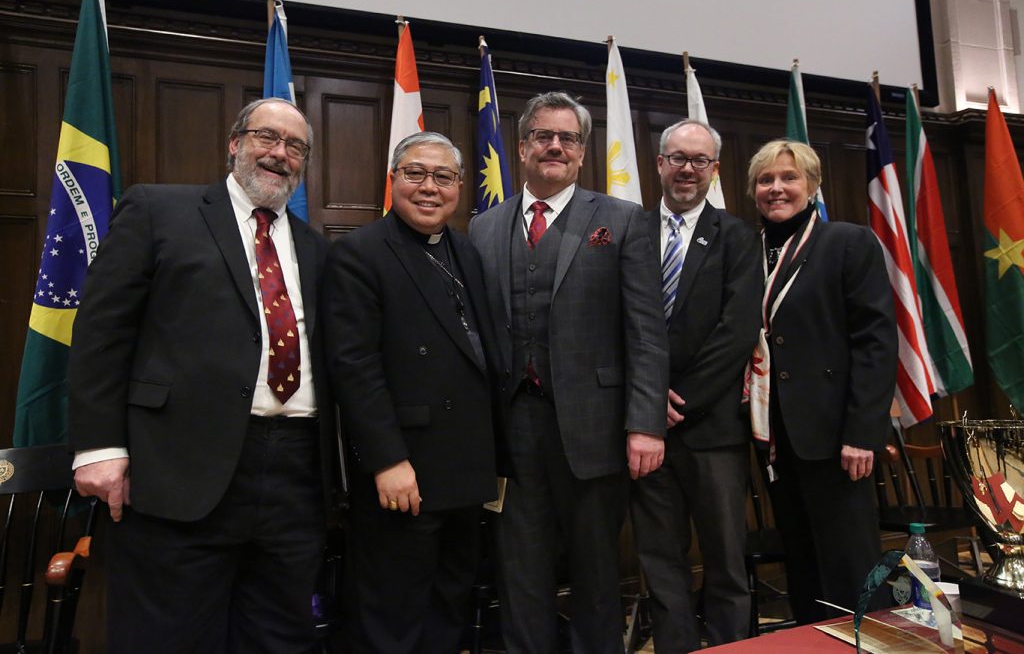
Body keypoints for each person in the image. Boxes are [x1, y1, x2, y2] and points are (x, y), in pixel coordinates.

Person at [68, 98, 338, 653]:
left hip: (296, 471)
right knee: (168, 635)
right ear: (234, 143)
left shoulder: (317, 248)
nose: (279, 153)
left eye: (295, 146)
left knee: (279, 635)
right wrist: (98, 446)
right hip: (177, 464)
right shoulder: (158, 210)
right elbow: (101, 332)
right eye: (267, 137)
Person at [469, 91, 669, 654]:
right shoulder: (485, 227)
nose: (555, 146)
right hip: (512, 431)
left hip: (597, 429)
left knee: (597, 574)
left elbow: (647, 332)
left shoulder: (622, 220)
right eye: (543, 136)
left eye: (568, 138)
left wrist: (646, 423)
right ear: (522, 145)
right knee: (520, 572)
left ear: (582, 153)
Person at [323, 131, 503, 653]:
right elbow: (354, 368)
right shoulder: (359, 253)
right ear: (393, 180)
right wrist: (387, 460)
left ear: (460, 187)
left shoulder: (464, 251)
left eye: (443, 177)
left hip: (465, 469)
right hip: (404, 471)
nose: (430, 187)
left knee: (449, 602)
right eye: (416, 174)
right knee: (393, 614)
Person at [745, 139, 897, 622]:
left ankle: (865, 642)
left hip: (835, 435)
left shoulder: (847, 242)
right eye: (765, 180)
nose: (777, 188)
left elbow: (875, 343)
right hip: (772, 433)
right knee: (803, 562)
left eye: (789, 178)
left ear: (812, 187)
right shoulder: (745, 251)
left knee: (849, 562)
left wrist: (861, 433)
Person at [630, 120, 762, 652]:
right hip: (645, 430)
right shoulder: (627, 230)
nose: (688, 169)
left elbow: (737, 330)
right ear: (659, 163)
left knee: (726, 562)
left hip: (712, 431)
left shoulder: (737, 236)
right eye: (678, 158)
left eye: (700, 161)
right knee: (660, 562)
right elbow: (617, 322)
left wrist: (678, 402)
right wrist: (648, 399)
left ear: (714, 170)